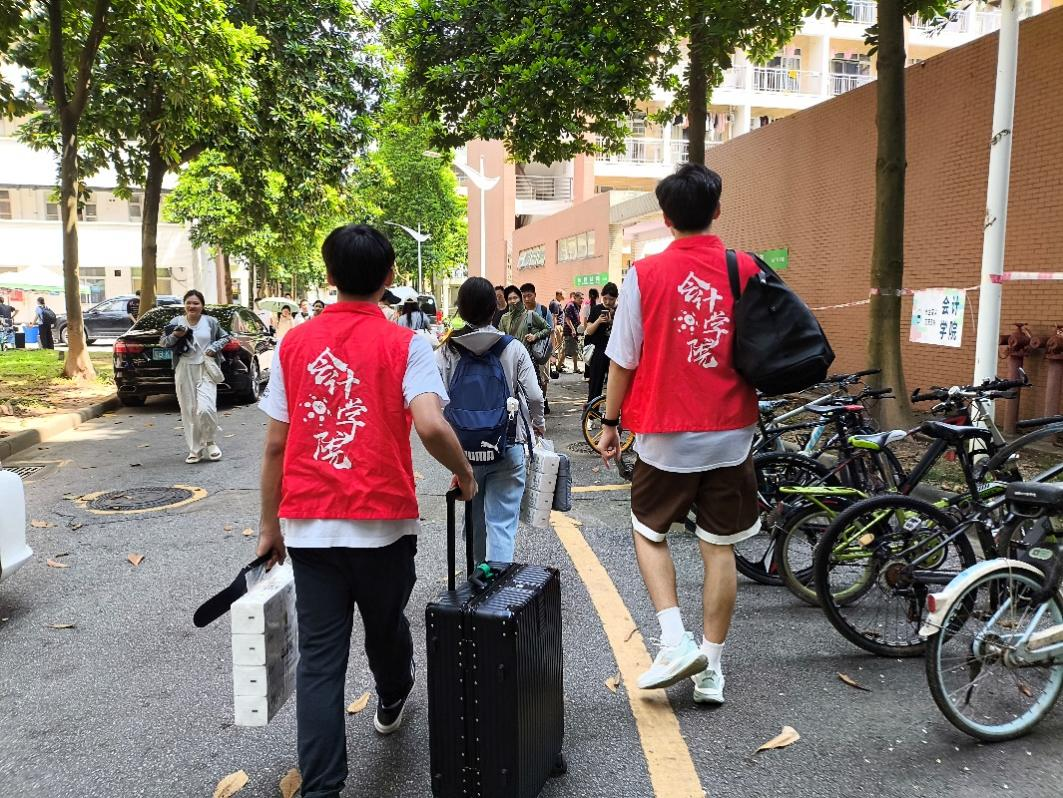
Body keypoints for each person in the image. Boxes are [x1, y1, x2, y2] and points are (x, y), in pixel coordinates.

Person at [255, 223, 476, 798]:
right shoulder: (407, 344)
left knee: (320, 660)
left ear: (329, 276)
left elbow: (276, 445)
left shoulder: (292, 344)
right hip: (383, 523)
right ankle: (393, 692)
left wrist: (268, 526)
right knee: (385, 624)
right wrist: (465, 472)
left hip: (308, 526)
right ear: (390, 276)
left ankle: (322, 788)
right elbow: (430, 425)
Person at [597, 163, 761, 707]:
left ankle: (673, 641)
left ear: (665, 218)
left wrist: (610, 424)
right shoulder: (745, 268)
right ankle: (711, 668)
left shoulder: (644, 276)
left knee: (649, 530)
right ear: (717, 210)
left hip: (666, 432)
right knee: (719, 547)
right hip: (731, 430)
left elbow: (623, 359)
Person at [437, 277, 544, 562]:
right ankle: (498, 582)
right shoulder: (513, 347)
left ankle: (477, 576)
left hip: (465, 451)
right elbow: (535, 396)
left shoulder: (448, 350)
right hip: (507, 445)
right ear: (494, 308)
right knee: (502, 523)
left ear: (461, 310)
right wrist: (538, 425)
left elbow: (437, 401)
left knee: (474, 517)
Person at [160, 289, 232, 464]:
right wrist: (175, 335)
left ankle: (210, 442)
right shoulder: (176, 322)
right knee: (189, 411)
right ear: (184, 305)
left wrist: (213, 348)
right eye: (189, 303)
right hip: (184, 369)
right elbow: (163, 342)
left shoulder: (210, 322)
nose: (192, 306)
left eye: (196, 303)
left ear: (202, 305)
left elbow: (226, 337)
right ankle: (195, 449)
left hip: (206, 367)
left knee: (205, 408)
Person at [498, 285, 551, 379]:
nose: (512, 301)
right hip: (510, 361)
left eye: (515, 298)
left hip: (528, 361)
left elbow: (548, 328)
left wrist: (535, 336)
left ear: (520, 299)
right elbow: (501, 337)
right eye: (509, 299)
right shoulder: (504, 318)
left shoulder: (531, 315)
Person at [520, 283, 552, 415]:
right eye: (524, 296)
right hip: (524, 351)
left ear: (535, 295)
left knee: (543, 378)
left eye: (529, 296)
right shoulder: (520, 311)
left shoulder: (543, 311)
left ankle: (542, 400)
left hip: (540, 351)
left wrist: (552, 353)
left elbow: (550, 330)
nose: (527, 299)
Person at [584, 282, 617, 402]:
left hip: (616, 351)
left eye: (611, 299)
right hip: (599, 350)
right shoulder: (596, 309)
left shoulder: (620, 310)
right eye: (605, 298)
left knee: (616, 383)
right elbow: (589, 331)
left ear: (616, 298)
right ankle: (592, 410)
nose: (608, 302)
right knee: (595, 383)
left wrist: (612, 321)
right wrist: (598, 321)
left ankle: (614, 410)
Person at [561, 291, 583, 374]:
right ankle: (558, 367)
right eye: (580, 298)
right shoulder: (570, 305)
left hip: (575, 331)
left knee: (574, 350)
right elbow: (567, 319)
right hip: (569, 332)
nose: (582, 300)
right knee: (566, 351)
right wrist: (573, 329)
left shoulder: (578, 306)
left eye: (582, 298)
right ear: (575, 298)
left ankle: (575, 368)